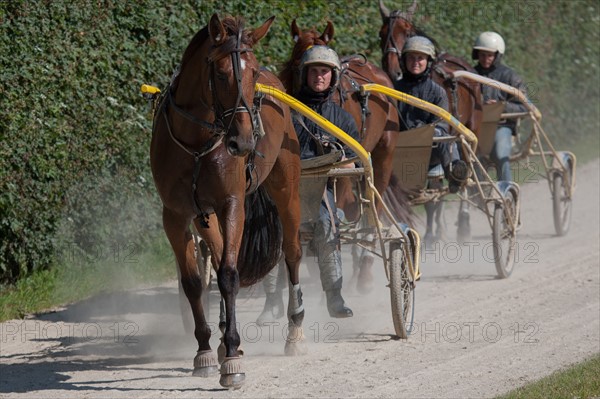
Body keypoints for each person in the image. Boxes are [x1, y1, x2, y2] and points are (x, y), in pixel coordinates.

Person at [257, 45, 357, 324]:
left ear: (333, 77)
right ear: (304, 74)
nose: (319, 77)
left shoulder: (342, 118)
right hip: (284, 188)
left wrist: (344, 163)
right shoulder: (285, 110)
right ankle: (272, 302)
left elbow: (354, 160)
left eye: (325, 72)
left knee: (327, 225)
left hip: (321, 190)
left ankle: (334, 296)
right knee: (274, 233)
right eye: (314, 71)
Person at [394, 36, 468, 193]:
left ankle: (454, 171)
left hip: (429, 147)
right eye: (411, 57)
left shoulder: (437, 92)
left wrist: (422, 130)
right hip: (401, 146)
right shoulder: (393, 89)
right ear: (404, 61)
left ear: (428, 61)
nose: (415, 62)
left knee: (442, 135)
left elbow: (441, 123)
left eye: (420, 58)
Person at [472, 31, 527, 182]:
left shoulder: (510, 76)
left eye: (489, 55)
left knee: (500, 154)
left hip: (502, 126)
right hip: (477, 127)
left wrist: (501, 107)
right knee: (469, 156)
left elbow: (524, 108)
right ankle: (477, 194)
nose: (485, 59)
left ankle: (506, 192)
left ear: (497, 55)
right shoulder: (470, 74)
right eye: (482, 55)